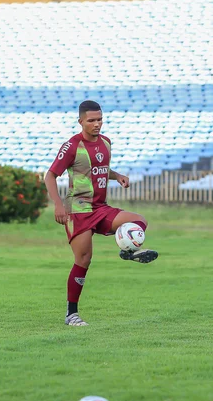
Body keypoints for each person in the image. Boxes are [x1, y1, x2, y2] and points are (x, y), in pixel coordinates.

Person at [44, 100, 159, 327]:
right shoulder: (71, 147)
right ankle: (71, 314)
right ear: (81, 122)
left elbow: (100, 169)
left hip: (100, 207)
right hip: (78, 210)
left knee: (138, 221)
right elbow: (50, 176)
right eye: (92, 120)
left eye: (100, 119)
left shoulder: (106, 142)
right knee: (84, 260)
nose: (97, 124)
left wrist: (118, 177)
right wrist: (57, 204)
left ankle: (128, 251)